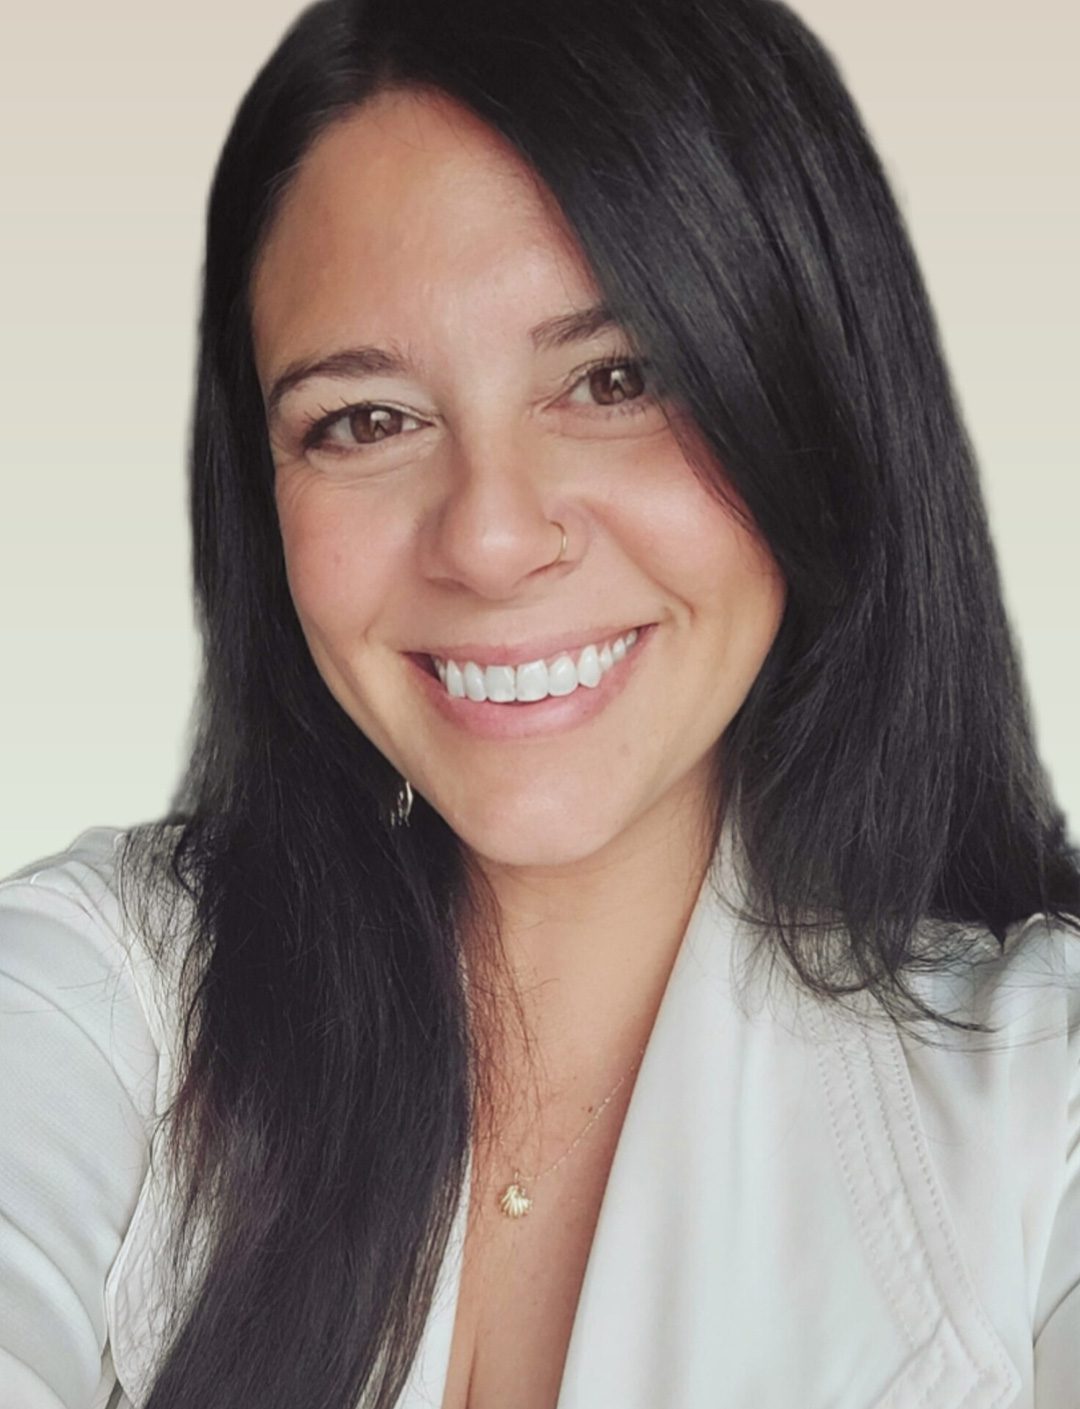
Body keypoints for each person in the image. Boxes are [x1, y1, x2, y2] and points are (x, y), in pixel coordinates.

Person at [1, 0, 1078, 1405]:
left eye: (614, 380)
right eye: (365, 419)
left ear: (808, 402)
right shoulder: (106, 998)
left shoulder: (1039, 1111)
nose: (492, 536)